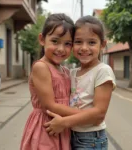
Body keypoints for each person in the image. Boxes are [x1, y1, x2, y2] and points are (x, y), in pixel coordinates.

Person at [44, 15, 116, 150]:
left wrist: (64, 122)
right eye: (78, 42)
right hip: (71, 135)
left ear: (103, 45)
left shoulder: (103, 71)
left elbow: (99, 113)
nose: (84, 47)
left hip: (91, 139)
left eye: (91, 42)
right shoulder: (72, 73)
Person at [20, 13, 84, 150]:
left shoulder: (65, 70)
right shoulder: (41, 67)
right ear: (42, 39)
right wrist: (85, 115)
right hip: (46, 128)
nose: (61, 49)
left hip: (62, 125)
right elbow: (50, 106)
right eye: (55, 41)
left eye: (67, 44)